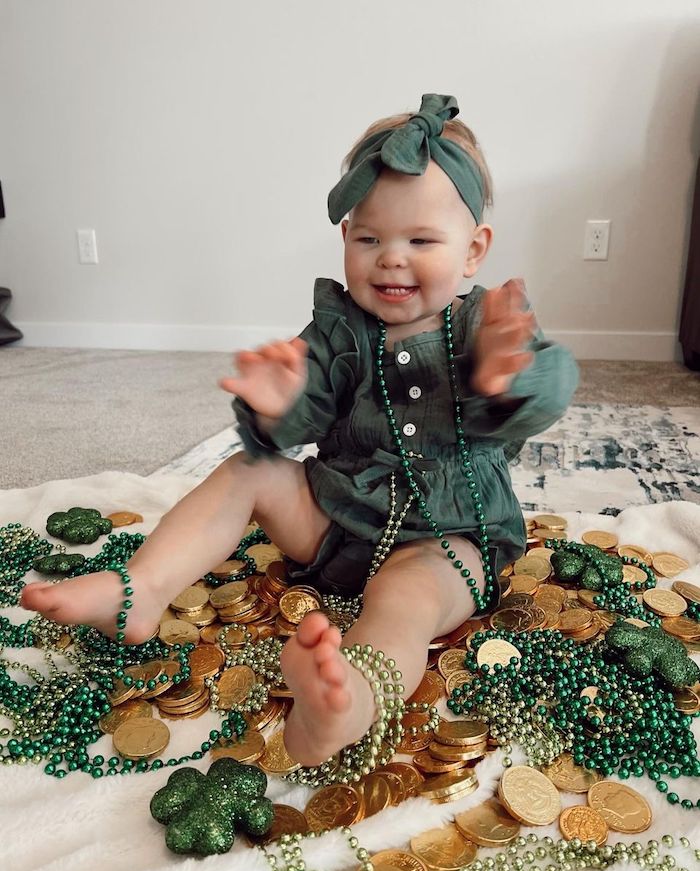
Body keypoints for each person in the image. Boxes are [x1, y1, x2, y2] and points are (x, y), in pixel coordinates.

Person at [21, 94, 578, 768]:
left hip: (448, 536)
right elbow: (299, 419)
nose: (391, 259)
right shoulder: (339, 330)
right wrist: (275, 405)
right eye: (369, 238)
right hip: (335, 520)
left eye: (420, 241)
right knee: (249, 469)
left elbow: (550, 388)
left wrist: (512, 374)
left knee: (404, 601)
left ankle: (345, 708)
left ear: (472, 252)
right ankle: (141, 589)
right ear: (345, 239)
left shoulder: (488, 326)